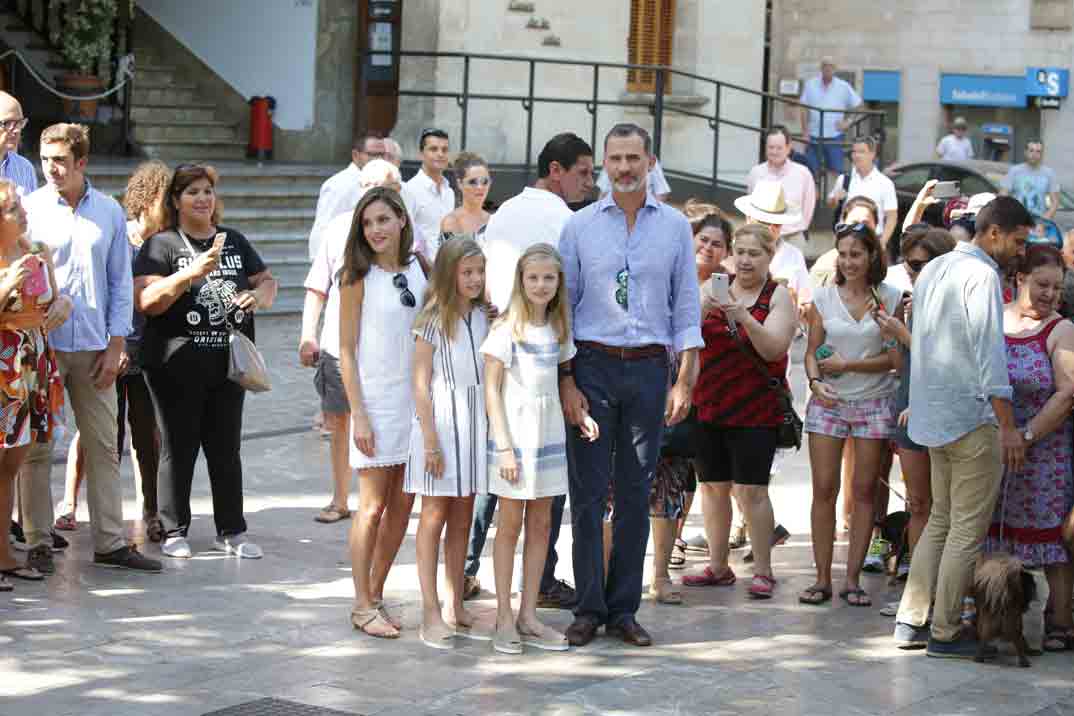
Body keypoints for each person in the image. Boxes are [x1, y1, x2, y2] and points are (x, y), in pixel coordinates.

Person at [559, 123, 702, 648]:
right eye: (615, 158)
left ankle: (623, 609)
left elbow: (686, 307)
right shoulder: (578, 228)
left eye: (632, 158)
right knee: (589, 493)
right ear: (603, 163)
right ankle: (588, 607)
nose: (623, 167)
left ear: (650, 161)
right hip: (592, 366)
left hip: (648, 371)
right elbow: (562, 312)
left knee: (637, 493)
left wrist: (684, 379)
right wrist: (567, 381)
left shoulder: (675, 229)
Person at [893, 196, 1033, 658]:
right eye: (1017, 241)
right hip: (972, 419)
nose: (1020, 251)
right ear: (993, 233)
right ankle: (946, 631)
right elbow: (990, 358)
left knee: (941, 521)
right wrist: (1008, 426)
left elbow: (925, 348)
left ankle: (911, 621)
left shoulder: (934, 268)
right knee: (962, 530)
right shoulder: (982, 275)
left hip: (936, 417)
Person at [20, 123, 160, 573]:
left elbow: (122, 281)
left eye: (60, 160)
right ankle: (39, 539)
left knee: (103, 444)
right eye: (45, 160)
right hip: (42, 345)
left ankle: (110, 541)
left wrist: (118, 341)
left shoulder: (110, 212)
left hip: (97, 345)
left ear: (82, 162)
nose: (51, 169)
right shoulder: (30, 209)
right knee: (39, 445)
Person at [463, 132, 595, 607]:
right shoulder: (563, 218)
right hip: (536, 347)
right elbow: (572, 293)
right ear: (555, 170)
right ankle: (538, 580)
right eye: (583, 171)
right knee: (541, 475)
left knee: (498, 471)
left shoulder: (507, 211)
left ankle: (465, 568)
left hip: (501, 340)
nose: (590, 181)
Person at [134, 164, 277, 560]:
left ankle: (231, 530)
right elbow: (147, 301)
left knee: (226, 448)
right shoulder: (160, 245)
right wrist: (191, 273)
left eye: (208, 191)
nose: (202, 199)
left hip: (227, 364)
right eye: (193, 192)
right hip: (173, 365)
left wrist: (260, 296)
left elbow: (267, 280)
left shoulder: (234, 241)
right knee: (178, 448)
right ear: (176, 200)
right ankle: (173, 528)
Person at [483, 243, 595, 654]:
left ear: (558, 282)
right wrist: (504, 447)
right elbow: (492, 392)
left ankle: (529, 614)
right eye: (533, 277)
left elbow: (561, 382)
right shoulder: (506, 328)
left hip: (548, 438)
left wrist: (580, 416)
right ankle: (503, 617)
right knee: (509, 526)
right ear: (521, 281)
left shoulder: (559, 328)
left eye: (549, 278)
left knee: (542, 527)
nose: (541, 284)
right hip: (515, 439)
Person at [54, 161, 169, 542]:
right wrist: (111, 342)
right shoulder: (122, 233)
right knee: (97, 431)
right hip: (107, 346)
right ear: (147, 200)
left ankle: (150, 511)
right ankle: (69, 503)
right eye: (163, 200)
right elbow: (109, 290)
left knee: (147, 433)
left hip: (146, 352)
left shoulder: (165, 244)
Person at [681, 223, 797, 599]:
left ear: (769, 256)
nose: (745, 261)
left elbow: (774, 349)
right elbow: (685, 338)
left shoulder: (778, 296)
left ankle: (763, 569)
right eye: (741, 252)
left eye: (755, 253)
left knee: (751, 491)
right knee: (712, 488)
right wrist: (702, 307)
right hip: (710, 404)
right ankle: (718, 565)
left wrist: (743, 316)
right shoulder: (712, 288)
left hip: (755, 409)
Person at [300, 160, 417, 525]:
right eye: (366, 183)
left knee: (391, 488)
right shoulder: (338, 230)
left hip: (397, 371)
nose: (371, 191)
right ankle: (339, 497)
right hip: (341, 347)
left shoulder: (414, 249)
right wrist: (309, 334)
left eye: (381, 185)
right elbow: (317, 286)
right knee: (341, 421)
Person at [338, 186, 427, 639]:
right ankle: (360, 604)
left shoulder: (419, 268)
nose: (375, 229)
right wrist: (360, 414)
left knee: (403, 504)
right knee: (371, 506)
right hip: (376, 399)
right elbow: (346, 352)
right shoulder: (355, 276)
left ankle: (374, 593)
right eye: (368, 222)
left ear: (401, 221)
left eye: (383, 220)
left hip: (418, 402)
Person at [801, 222, 902, 608]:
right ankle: (822, 578)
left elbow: (895, 359)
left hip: (875, 403)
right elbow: (812, 351)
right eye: (842, 254)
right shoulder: (824, 297)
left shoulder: (889, 297)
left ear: (873, 256)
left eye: (856, 254)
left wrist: (850, 365)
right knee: (824, 489)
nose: (848, 262)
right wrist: (814, 382)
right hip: (828, 402)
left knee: (864, 493)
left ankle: (853, 579)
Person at [983, 245, 1074, 651]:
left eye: (1057, 287)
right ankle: (995, 616)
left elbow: (1068, 392)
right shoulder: (995, 320)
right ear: (1019, 278)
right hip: (995, 445)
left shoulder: (1061, 330)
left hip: (1046, 453)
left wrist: (1026, 435)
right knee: (996, 535)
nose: (1050, 294)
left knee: (1051, 540)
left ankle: (1059, 619)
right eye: (1042, 284)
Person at [408, 238, 490, 649]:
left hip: (476, 426)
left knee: (463, 516)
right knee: (433, 516)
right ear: (449, 273)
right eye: (467, 272)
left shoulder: (483, 317)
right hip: (440, 425)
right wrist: (430, 441)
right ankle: (429, 610)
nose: (474, 279)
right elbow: (420, 383)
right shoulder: (432, 319)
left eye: (479, 271)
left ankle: (455, 601)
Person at [875, 226, 957, 573]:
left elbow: (949, 362)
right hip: (909, 407)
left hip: (945, 413)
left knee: (945, 508)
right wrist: (894, 333)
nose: (917, 273)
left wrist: (902, 334)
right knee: (918, 503)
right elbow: (902, 364)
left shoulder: (958, 305)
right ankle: (917, 590)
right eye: (911, 266)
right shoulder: (913, 302)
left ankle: (944, 590)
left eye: (923, 265)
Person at [661, 201, 733, 583]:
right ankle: (668, 541)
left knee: (700, 475)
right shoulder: (674, 277)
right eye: (703, 240)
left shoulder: (731, 285)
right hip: (676, 386)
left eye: (717, 244)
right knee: (674, 468)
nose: (708, 248)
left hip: (717, 392)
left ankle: (690, 545)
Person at [0, 180, 63, 590]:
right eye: (13, 208)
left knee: (11, 467)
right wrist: (8, 282)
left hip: (32, 362)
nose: (23, 212)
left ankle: (4, 556)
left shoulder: (36, 250)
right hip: (4, 366)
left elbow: (56, 300)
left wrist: (62, 305)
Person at [308, 132, 387, 259]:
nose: (379, 160)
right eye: (373, 155)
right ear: (356, 155)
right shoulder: (339, 185)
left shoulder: (383, 180)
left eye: (382, 155)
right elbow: (323, 229)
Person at [746, 126, 816, 244]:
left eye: (779, 148)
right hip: (763, 238)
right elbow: (750, 208)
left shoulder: (803, 173)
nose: (774, 152)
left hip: (793, 238)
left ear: (788, 148)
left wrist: (799, 228)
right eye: (771, 147)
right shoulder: (755, 173)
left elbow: (808, 206)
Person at [798, 57, 862, 184]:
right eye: (825, 66)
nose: (828, 69)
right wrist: (805, 132)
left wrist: (848, 122)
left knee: (836, 172)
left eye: (831, 66)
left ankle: (833, 201)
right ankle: (814, 200)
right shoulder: (811, 84)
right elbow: (804, 109)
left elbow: (859, 105)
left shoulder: (843, 86)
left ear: (835, 69)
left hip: (834, 136)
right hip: (814, 136)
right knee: (810, 171)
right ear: (821, 68)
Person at [827, 136, 898, 249]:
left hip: (872, 239)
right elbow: (832, 204)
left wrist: (883, 241)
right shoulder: (844, 179)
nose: (856, 155)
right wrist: (834, 200)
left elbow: (892, 217)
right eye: (854, 152)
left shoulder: (885, 183)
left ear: (872, 154)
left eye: (861, 152)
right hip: (844, 237)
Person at [405, 128, 454, 258]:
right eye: (433, 149)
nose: (440, 154)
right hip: (421, 270)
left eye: (444, 150)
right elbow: (405, 237)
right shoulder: (409, 190)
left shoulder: (449, 192)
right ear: (421, 154)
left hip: (447, 268)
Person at [437, 152, 491, 250]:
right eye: (473, 182)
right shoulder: (451, 222)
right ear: (460, 184)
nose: (480, 187)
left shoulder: (493, 220)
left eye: (485, 182)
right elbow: (448, 262)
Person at [1000, 140, 1060, 221]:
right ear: (1025, 152)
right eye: (1031, 150)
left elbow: (1055, 202)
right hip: (1016, 222)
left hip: (1039, 223)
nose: (1034, 155)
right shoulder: (1014, 171)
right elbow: (1002, 198)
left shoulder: (1049, 173)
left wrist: (1044, 221)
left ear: (1042, 154)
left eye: (1038, 151)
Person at [0, 92, 35, 197]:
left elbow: (32, 211)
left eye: (19, 123)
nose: (16, 130)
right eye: (7, 123)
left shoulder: (25, 168)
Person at [596, 156, 670, 202]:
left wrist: (652, 216)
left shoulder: (649, 160)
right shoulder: (611, 160)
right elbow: (603, 193)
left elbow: (662, 192)